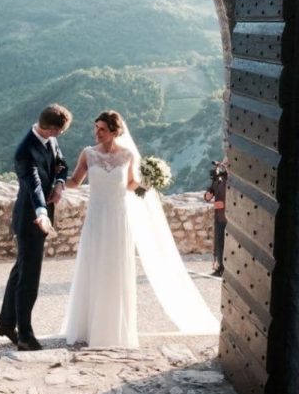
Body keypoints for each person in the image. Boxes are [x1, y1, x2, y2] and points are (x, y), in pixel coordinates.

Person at [62, 110, 218, 349]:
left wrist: (149, 184)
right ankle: (87, 327)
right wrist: (57, 185)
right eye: (96, 128)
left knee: (114, 269)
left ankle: (111, 329)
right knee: (92, 267)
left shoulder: (126, 156)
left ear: (115, 132)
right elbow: (75, 181)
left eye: (102, 129)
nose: (97, 132)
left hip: (117, 218)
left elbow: (131, 184)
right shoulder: (88, 153)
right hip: (96, 218)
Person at [0, 104, 72, 351]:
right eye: (58, 133)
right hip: (30, 219)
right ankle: (25, 335)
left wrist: (59, 184)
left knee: (21, 270)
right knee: (29, 277)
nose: (59, 137)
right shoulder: (24, 151)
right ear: (49, 129)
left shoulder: (50, 141)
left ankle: (6, 323)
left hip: (40, 215)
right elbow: (34, 185)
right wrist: (41, 214)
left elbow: (60, 163)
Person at [204, 160, 228, 277]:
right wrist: (208, 195)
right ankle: (219, 267)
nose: (223, 166)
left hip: (228, 217)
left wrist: (223, 204)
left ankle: (224, 269)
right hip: (219, 216)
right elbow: (210, 191)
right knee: (218, 243)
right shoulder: (219, 178)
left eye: (226, 164)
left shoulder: (232, 180)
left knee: (225, 244)